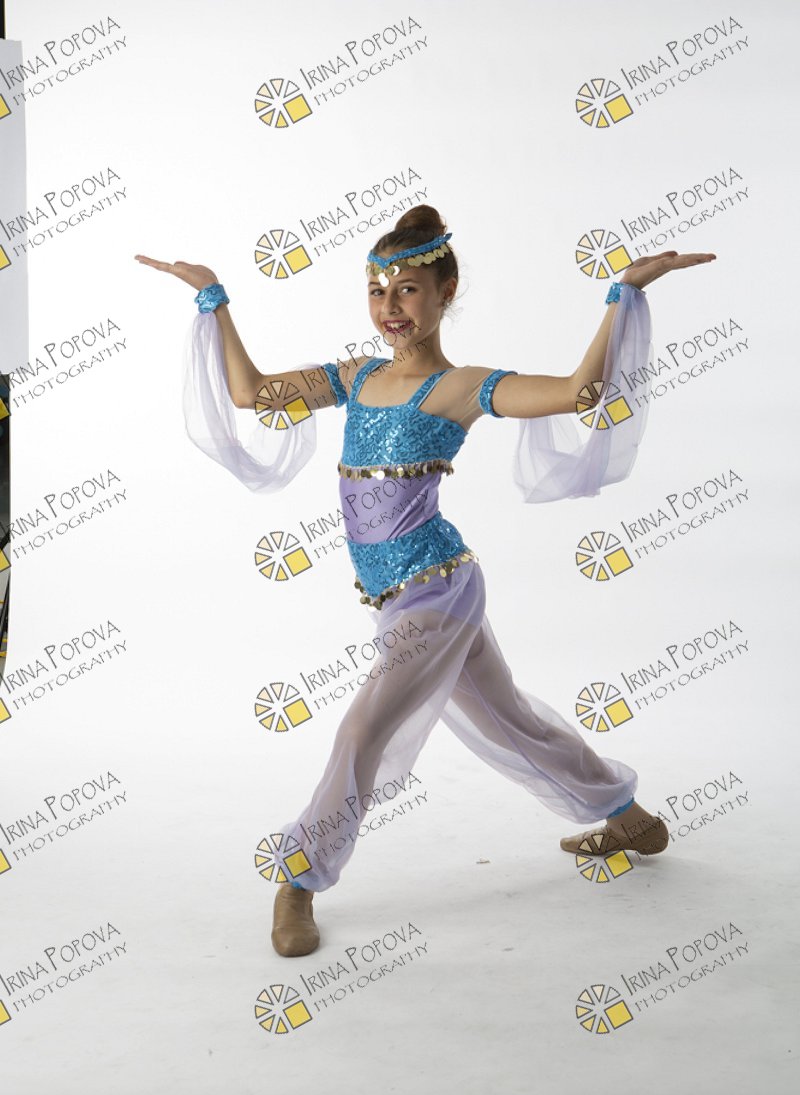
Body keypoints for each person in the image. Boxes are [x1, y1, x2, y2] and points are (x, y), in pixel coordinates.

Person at [135, 205, 716, 957]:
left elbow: (580, 391)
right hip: (402, 594)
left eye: (407, 290)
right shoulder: (357, 377)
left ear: (446, 292)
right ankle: (628, 816)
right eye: (377, 291)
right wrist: (214, 297)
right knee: (515, 722)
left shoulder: (460, 387)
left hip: (437, 591)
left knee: (362, 728)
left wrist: (624, 294)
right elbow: (251, 394)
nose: (390, 307)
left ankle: (300, 874)